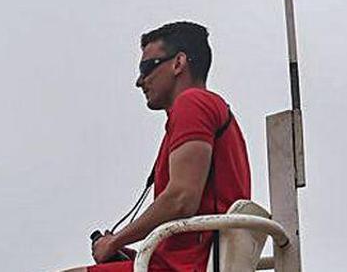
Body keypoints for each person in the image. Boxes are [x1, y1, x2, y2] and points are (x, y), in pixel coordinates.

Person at [67, 21, 251, 272]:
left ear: (178, 63)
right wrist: (128, 250)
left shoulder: (193, 103)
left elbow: (181, 199)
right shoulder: (208, 111)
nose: (139, 81)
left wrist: (113, 242)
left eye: (147, 67)